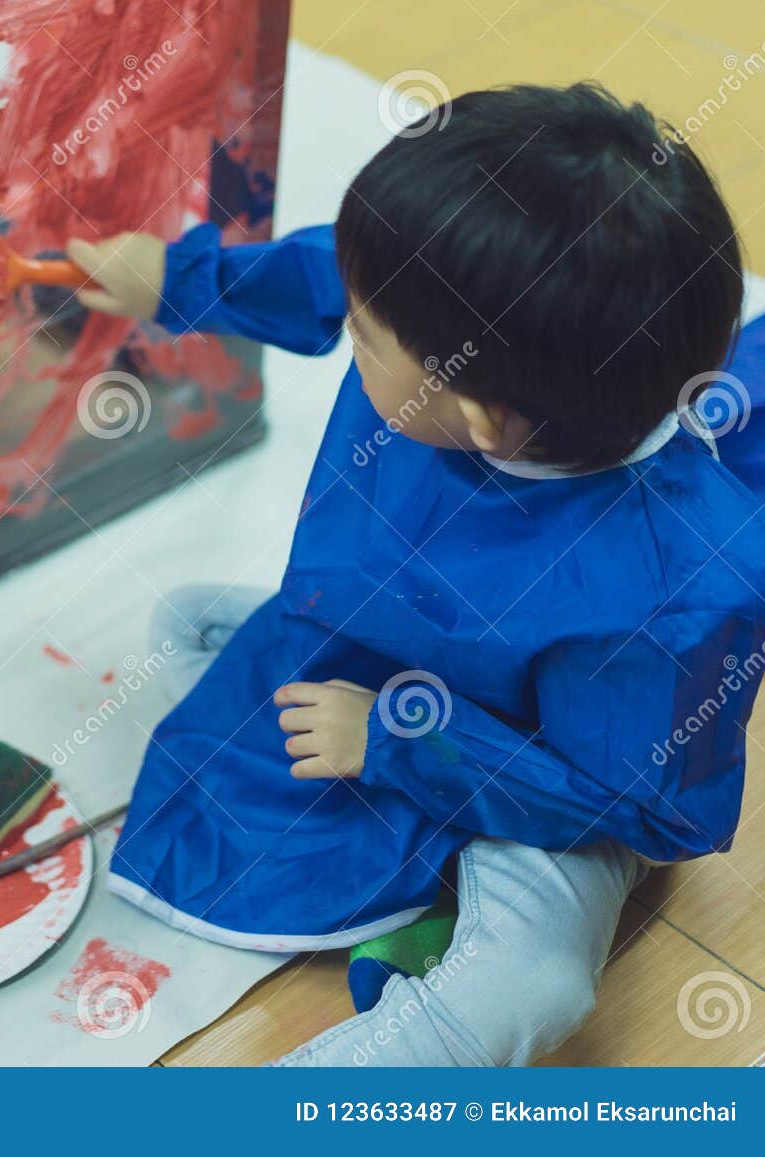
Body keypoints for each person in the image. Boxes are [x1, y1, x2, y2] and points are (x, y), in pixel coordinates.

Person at [68, 82, 765, 1065]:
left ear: (473, 417)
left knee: (531, 981)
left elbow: (649, 808)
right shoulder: (456, 350)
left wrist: (404, 736)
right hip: (392, 661)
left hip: (562, 782)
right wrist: (178, 281)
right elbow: (345, 274)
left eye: (364, 338)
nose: (349, 333)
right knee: (183, 621)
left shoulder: (664, 594)